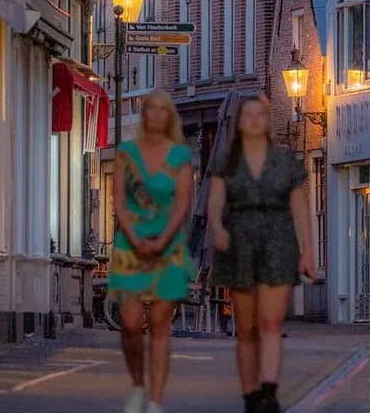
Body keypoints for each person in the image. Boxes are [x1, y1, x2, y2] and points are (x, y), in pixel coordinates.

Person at [208, 96, 316, 413]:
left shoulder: (285, 162)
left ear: (267, 121)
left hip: (278, 242)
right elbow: (215, 203)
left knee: (271, 322)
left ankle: (268, 391)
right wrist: (218, 229)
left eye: (260, 115)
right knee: (246, 327)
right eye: (248, 115)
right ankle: (250, 393)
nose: (254, 120)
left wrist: (308, 251)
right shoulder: (226, 161)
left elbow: (300, 210)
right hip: (238, 244)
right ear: (240, 122)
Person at [107, 90, 198, 413]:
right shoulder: (125, 154)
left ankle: (156, 400)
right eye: (152, 109)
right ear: (144, 114)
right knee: (131, 324)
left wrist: (162, 242)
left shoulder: (180, 156)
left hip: (167, 244)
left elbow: (183, 203)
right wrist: (133, 237)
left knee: (160, 321)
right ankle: (137, 383)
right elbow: (118, 200)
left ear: (169, 116)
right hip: (130, 244)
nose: (157, 114)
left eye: (163, 109)